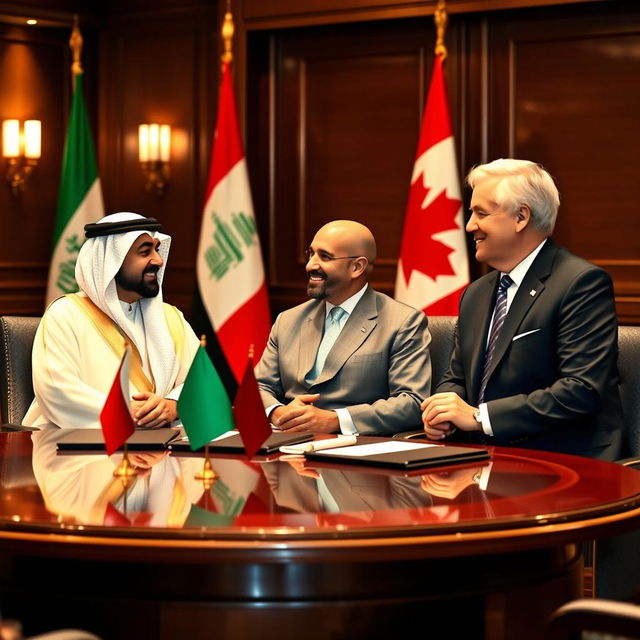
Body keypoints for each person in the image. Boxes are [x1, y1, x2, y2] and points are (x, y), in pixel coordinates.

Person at [421, 159, 623, 460]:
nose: (469, 225)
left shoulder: (580, 283)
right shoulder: (476, 293)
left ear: (521, 217)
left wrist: (479, 417)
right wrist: (443, 408)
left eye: (481, 213)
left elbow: (580, 390)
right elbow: (458, 377)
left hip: (564, 462)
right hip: (481, 461)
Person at [23, 212, 200, 430]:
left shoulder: (171, 318)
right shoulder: (66, 314)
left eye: (156, 248)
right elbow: (57, 392)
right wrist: (131, 414)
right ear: (111, 261)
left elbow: (201, 383)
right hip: (78, 453)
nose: (158, 260)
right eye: (145, 252)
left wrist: (174, 405)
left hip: (160, 451)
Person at [255, 219, 431, 435]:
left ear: (357, 267)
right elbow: (258, 387)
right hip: (286, 446)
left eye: (325, 256)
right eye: (311, 254)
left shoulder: (403, 322)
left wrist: (336, 420)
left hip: (357, 452)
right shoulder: (288, 320)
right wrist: (277, 412)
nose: (310, 265)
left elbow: (412, 402)